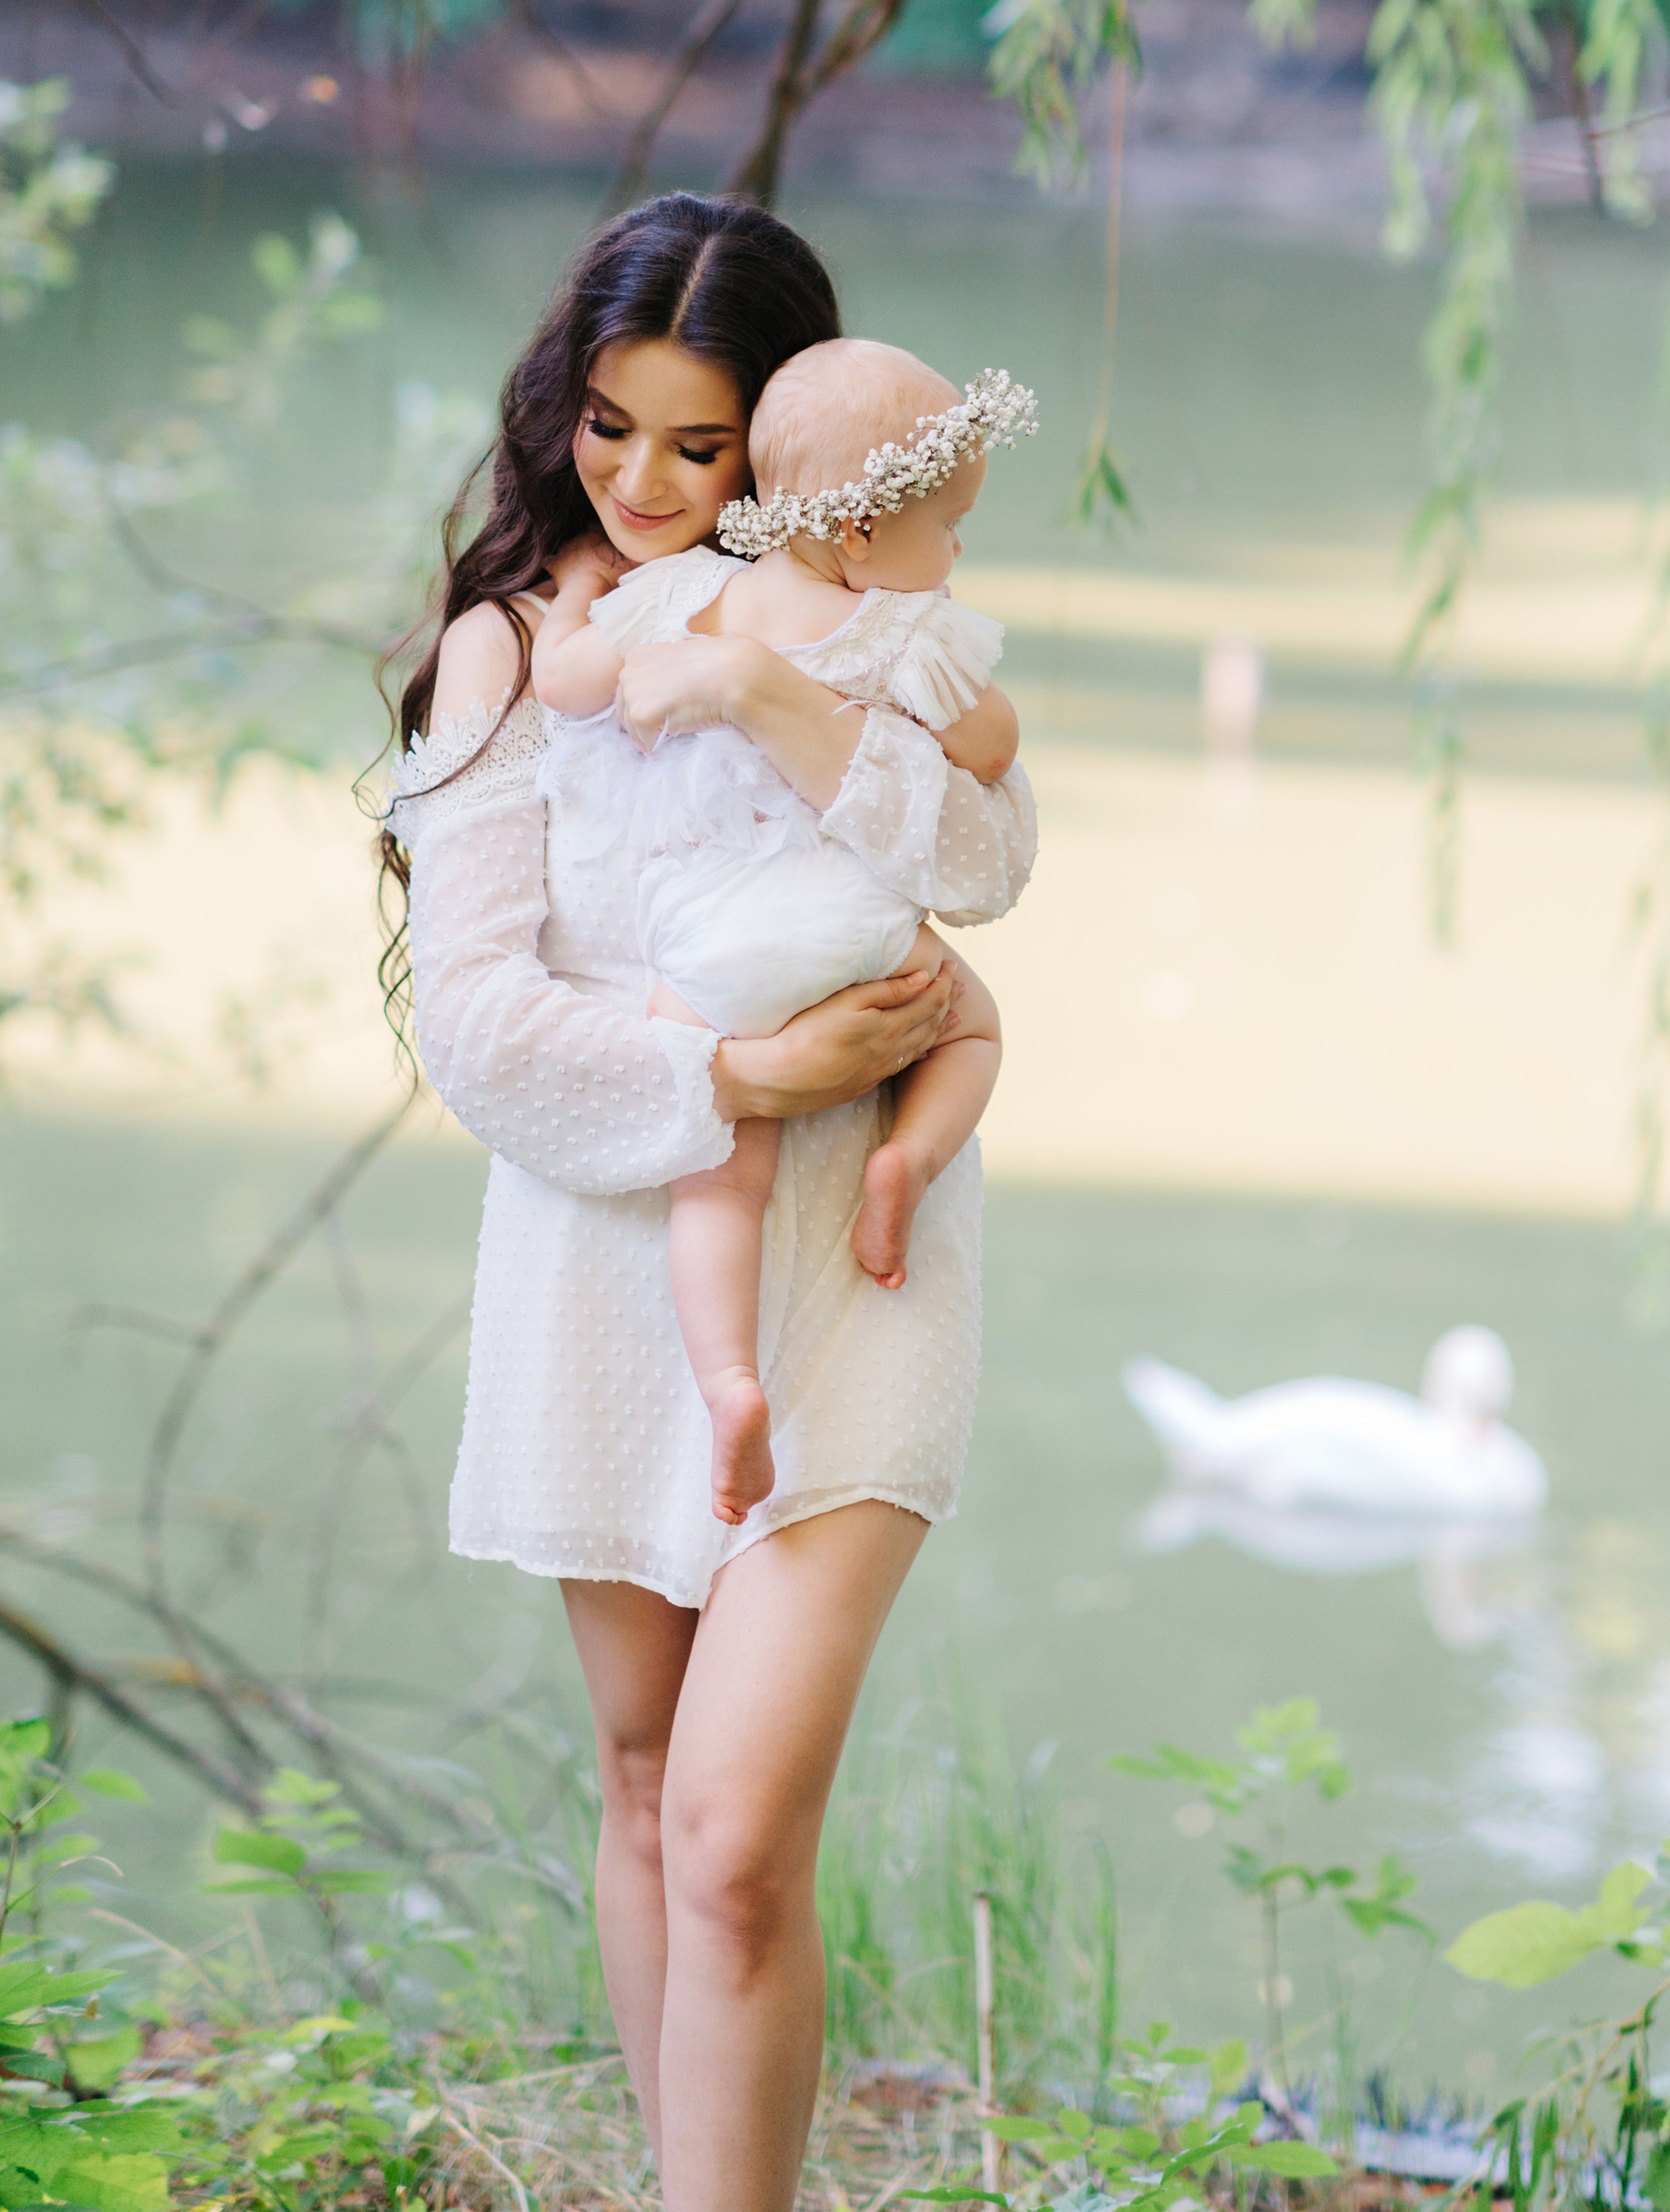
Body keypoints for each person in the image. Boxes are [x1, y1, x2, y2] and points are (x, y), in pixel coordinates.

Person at [378, 196, 1036, 2212]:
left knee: (742, 1829)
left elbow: (988, 857)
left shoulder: (845, 616)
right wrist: (733, 1076)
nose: (647, 483)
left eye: (699, 443)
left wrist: (773, 694)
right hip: (614, 1247)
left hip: (860, 1260)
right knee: (654, 1785)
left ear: (798, 451)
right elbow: (482, 1021)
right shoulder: (521, 650)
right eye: (609, 426)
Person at [526, 339, 1038, 1525]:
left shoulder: (677, 596)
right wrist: (942, 703)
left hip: (705, 946)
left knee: (717, 1166)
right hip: (851, 932)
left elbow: (565, 686)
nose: (955, 551)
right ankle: (903, 1161)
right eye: (948, 524)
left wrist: (570, 597)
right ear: (858, 535)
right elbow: (994, 747)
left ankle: (729, 1383)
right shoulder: (904, 635)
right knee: (970, 1030)